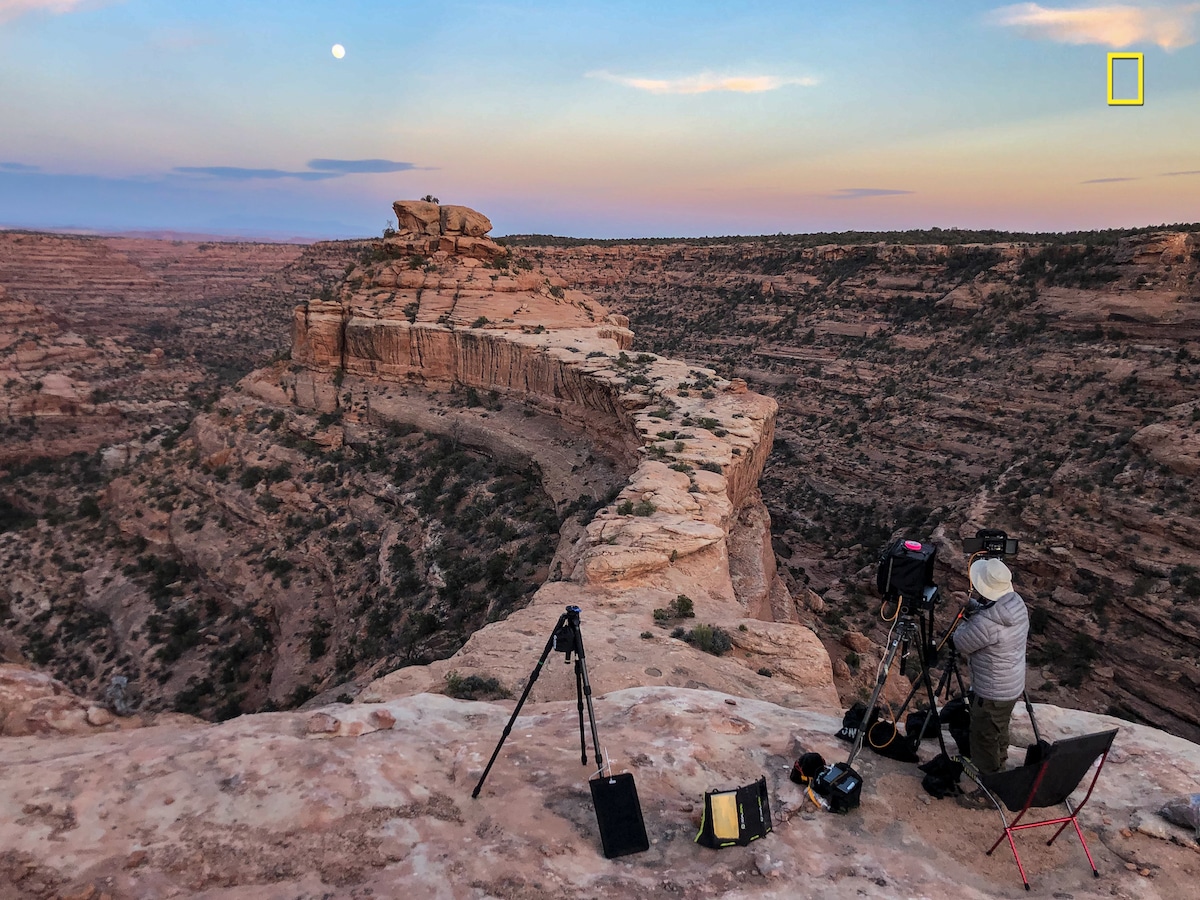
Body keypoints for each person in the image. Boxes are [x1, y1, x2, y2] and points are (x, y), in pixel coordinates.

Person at [951, 556, 1029, 807]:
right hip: (1011, 684)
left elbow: (961, 642)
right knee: (999, 728)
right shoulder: (1017, 605)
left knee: (983, 737)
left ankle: (988, 792)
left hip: (992, 690)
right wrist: (973, 605)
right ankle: (1000, 765)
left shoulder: (986, 623)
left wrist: (965, 615)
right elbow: (992, 615)